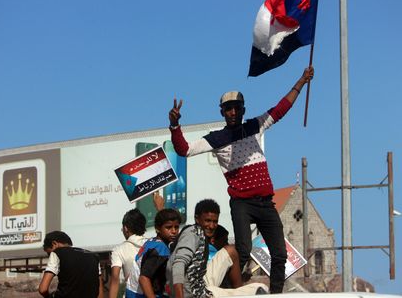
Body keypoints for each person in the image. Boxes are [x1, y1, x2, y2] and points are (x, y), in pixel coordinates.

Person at [168, 67, 314, 293]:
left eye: (237, 108)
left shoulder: (255, 126)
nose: (233, 112)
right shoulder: (216, 139)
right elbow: (184, 150)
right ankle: (216, 285)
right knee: (243, 251)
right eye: (228, 109)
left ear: (243, 110)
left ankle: (275, 295)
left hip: (265, 203)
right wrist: (175, 126)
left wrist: (302, 81)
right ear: (222, 112)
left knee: (280, 254)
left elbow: (281, 108)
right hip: (242, 203)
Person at [167, 199, 268, 298]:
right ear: (197, 219)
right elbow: (178, 264)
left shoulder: (201, 235)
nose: (211, 226)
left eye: (215, 221)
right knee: (259, 288)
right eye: (207, 221)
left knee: (231, 251)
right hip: (193, 294)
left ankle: (238, 291)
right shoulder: (192, 233)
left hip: (200, 284)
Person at [110, 194, 165, 298]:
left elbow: (115, 279)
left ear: (126, 228)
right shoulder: (154, 244)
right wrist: (160, 208)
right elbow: (164, 231)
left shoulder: (118, 250)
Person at [126, 209, 181, 298]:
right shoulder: (160, 249)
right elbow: (144, 278)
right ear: (158, 228)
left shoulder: (151, 242)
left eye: (176, 227)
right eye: (168, 227)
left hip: (132, 291)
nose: (174, 231)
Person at [38, 230, 104, 298]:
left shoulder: (57, 253)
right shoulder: (93, 256)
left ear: (54, 244)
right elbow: (100, 292)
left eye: (49, 253)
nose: (49, 256)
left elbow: (43, 289)